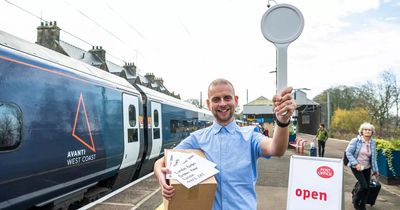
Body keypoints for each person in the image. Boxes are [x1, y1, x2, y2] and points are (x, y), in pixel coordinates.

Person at [153, 78, 296, 210]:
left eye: (227, 98)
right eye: (216, 99)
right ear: (208, 104)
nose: (222, 103)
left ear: (236, 100)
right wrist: (161, 177)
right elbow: (162, 162)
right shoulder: (197, 139)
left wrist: (282, 121)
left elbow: (276, 149)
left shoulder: (251, 136)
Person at [345, 122, 379, 210]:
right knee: (363, 186)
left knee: (367, 188)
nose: (367, 131)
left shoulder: (373, 143)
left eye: (369, 130)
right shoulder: (355, 141)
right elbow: (348, 152)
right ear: (362, 131)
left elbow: (374, 157)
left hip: (367, 167)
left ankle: (362, 205)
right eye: (365, 130)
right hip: (357, 167)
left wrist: (375, 170)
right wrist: (356, 164)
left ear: (372, 132)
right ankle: (356, 201)